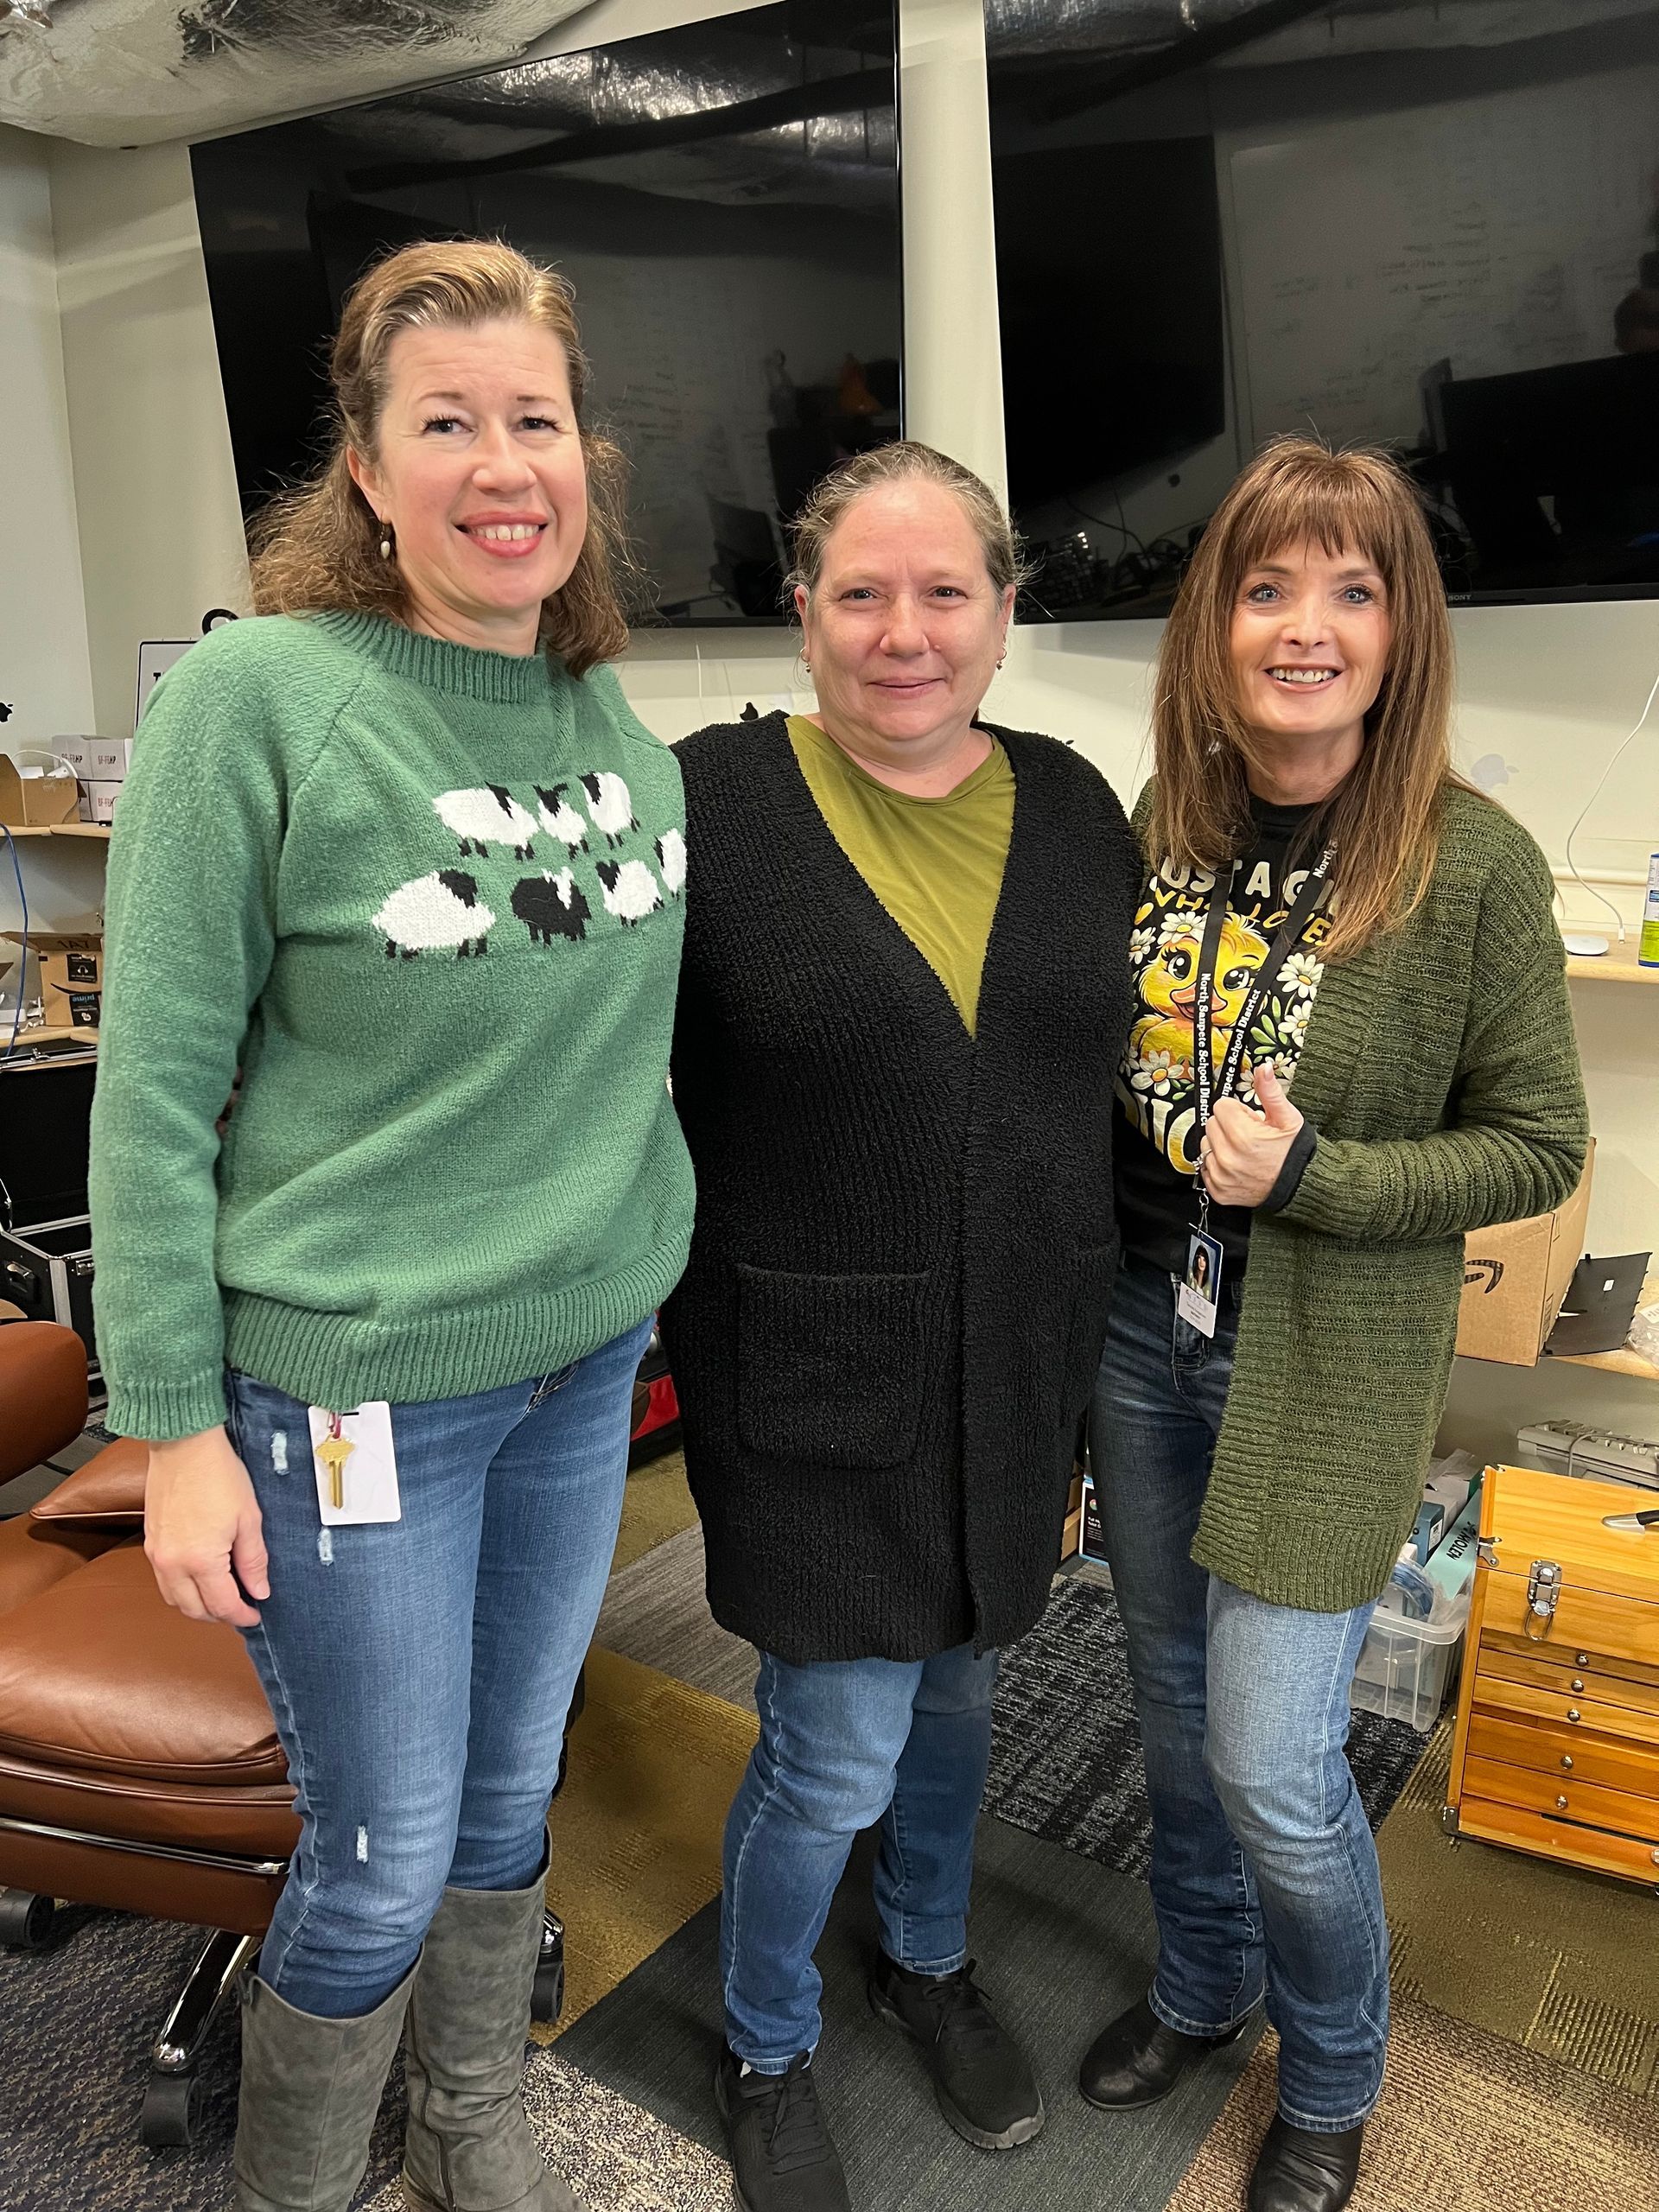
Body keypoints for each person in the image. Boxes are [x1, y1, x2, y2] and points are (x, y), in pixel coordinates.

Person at [88, 240, 695, 2212]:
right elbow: (156, 1085)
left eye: (533, 418)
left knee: (517, 1793)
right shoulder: (265, 698)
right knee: (380, 1841)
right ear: (363, 466)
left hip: (584, 1351)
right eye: (446, 423)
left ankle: (474, 2122)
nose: (499, 462)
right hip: (357, 1394)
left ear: (583, 453)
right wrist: (174, 1420)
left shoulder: (614, 722)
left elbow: (603, 1060)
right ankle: (293, 2185)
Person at [1081, 439, 1588, 2212]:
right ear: (1213, 622)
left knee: (1272, 1758)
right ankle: (1205, 1984)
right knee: (1160, 1703)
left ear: (1400, 628)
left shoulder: (1469, 865)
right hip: (1145, 1337)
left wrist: (1319, 1174)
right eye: (1266, 585)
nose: (1305, 626)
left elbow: (1542, 1142)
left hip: (1320, 1363)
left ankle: (1339, 2065)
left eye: (1352, 588)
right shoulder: (1164, 829)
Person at [661, 442, 1140, 2212]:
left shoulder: (1083, 804)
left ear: (1006, 613)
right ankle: (765, 2033)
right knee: (834, 1738)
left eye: (947, 590)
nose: (904, 631)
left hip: (1020, 1364)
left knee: (961, 1692)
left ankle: (923, 1953)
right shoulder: (704, 800)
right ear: (802, 613)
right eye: (860, 591)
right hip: (807, 1383)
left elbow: (1097, 1082)